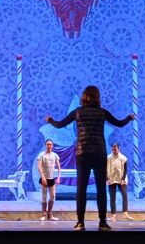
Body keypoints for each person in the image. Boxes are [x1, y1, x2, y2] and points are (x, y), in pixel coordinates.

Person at [44, 85, 135, 231]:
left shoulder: (77, 112)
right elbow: (119, 123)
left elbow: (60, 125)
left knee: (81, 189)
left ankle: (80, 223)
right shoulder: (102, 112)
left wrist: (50, 120)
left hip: (83, 153)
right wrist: (129, 118)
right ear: (97, 97)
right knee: (101, 189)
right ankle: (102, 223)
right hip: (99, 153)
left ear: (83, 97)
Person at [37, 139, 62, 221]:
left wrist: (58, 177)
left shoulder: (55, 155)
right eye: (47, 144)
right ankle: (44, 214)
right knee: (44, 197)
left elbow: (58, 166)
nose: (49, 146)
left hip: (52, 179)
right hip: (44, 179)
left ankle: (50, 214)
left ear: (52, 146)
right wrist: (43, 177)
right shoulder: (41, 155)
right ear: (45, 145)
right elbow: (39, 166)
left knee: (53, 196)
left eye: (50, 144)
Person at [107, 142, 132, 221]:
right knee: (112, 197)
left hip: (121, 179)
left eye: (115, 149)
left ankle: (125, 213)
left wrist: (123, 179)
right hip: (111, 179)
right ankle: (113, 215)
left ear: (118, 148)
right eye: (112, 149)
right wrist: (107, 178)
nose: (114, 150)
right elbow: (105, 169)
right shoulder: (108, 158)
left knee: (124, 195)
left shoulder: (123, 158)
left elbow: (125, 170)